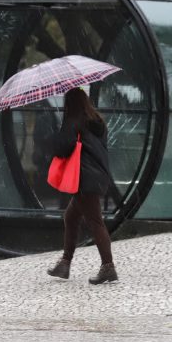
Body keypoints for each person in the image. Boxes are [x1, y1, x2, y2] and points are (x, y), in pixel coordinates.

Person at [47, 87, 118, 284]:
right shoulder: (97, 121)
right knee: (71, 216)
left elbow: (62, 149)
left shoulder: (74, 121)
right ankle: (65, 264)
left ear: (70, 104)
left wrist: (59, 132)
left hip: (84, 178)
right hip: (97, 176)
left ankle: (108, 267)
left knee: (95, 222)